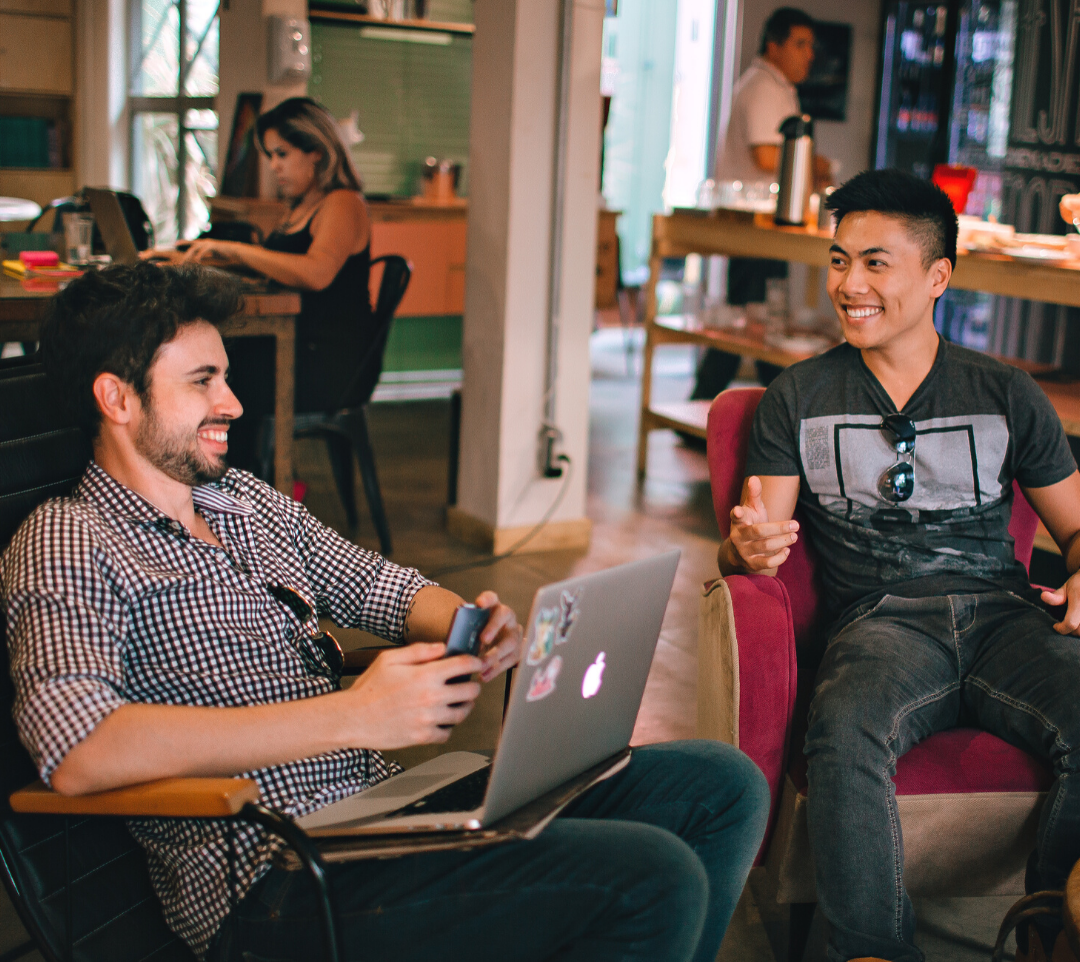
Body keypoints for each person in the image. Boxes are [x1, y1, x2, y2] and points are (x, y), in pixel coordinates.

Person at [1, 261, 770, 962]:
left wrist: (471, 626)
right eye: (203, 381)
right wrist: (354, 717)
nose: (232, 402)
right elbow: (78, 750)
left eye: (225, 377)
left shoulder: (241, 501)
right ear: (117, 397)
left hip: (383, 816)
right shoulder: (70, 538)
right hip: (276, 880)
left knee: (720, 786)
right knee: (649, 878)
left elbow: (384, 588)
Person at [718, 169, 1080, 962]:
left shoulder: (1007, 393)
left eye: (875, 263)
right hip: (881, 623)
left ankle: (1051, 933)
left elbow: (1077, 530)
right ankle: (872, 951)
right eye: (839, 261)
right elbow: (758, 533)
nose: (850, 285)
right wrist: (743, 548)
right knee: (844, 728)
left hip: (1005, 617)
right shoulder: (799, 395)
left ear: (937, 276)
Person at [182, 97, 374, 474]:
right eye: (271, 155)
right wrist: (201, 257)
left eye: (282, 154)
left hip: (325, 361)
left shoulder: (343, 203)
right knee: (210, 367)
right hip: (297, 344)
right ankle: (219, 486)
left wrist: (234, 250)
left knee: (217, 377)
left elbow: (316, 272)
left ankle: (234, 490)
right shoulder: (301, 205)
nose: (275, 166)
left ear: (316, 152)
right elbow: (280, 269)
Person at [693, 7, 830, 401]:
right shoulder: (763, 88)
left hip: (765, 225)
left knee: (758, 322)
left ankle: (759, 409)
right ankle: (717, 410)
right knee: (756, 324)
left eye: (811, 46)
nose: (809, 55)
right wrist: (818, 163)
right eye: (800, 44)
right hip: (755, 225)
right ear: (774, 45)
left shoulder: (775, 87)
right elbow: (769, 157)